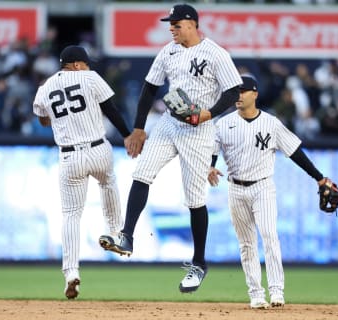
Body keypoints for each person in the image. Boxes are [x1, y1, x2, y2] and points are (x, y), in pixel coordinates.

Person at [98, 3, 242, 293]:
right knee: (141, 173)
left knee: (194, 199)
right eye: (170, 24)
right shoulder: (169, 51)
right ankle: (127, 236)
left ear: (191, 23)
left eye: (176, 24)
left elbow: (233, 92)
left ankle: (199, 262)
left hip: (199, 129)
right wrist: (138, 127)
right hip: (170, 122)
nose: (171, 28)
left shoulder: (216, 53)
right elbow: (149, 88)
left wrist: (207, 114)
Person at [208, 75, 337, 309]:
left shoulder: (271, 123)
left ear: (254, 94)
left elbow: (295, 152)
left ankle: (277, 291)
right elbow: (212, 149)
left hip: (263, 187)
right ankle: (256, 294)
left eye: (242, 91)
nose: (238, 96)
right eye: (235, 92)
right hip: (235, 188)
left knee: (269, 236)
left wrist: (319, 178)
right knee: (246, 244)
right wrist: (210, 165)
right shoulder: (223, 123)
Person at [32, 45, 131, 299]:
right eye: (86, 63)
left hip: (69, 155)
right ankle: (116, 232)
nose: (89, 67)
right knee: (108, 182)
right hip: (98, 149)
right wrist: (128, 135)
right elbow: (111, 110)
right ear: (76, 65)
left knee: (71, 215)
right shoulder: (90, 77)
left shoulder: (46, 86)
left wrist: (56, 116)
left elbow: (42, 117)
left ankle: (71, 272)